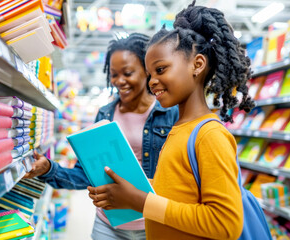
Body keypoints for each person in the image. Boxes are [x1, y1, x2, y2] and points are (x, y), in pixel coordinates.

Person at [88, 1, 255, 240]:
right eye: (149, 74)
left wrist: (140, 200)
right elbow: (180, 189)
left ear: (197, 65)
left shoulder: (210, 135)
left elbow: (225, 223)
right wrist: (131, 188)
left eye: (161, 69)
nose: (152, 81)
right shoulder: (180, 127)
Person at [25, 33, 179, 239]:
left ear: (146, 70)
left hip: (153, 225)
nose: (119, 81)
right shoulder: (105, 115)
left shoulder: (170, 113)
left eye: (128, 73)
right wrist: (49, 169)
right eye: (114, 74)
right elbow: (85, 175)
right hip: (108, 225)